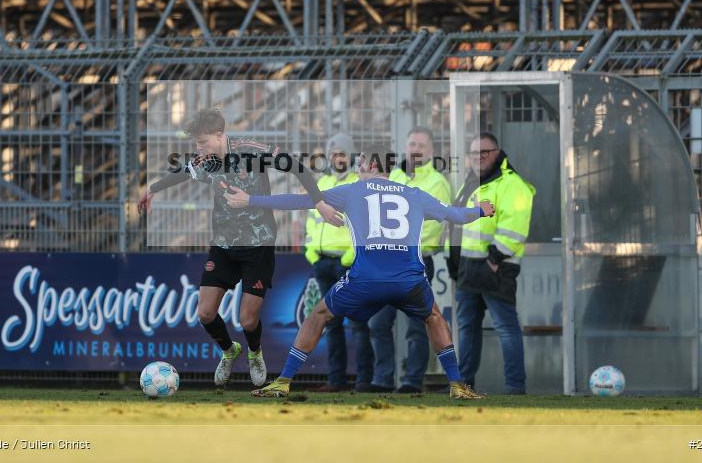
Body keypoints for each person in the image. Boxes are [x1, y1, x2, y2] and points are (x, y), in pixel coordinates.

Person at [223, 142, 494, 399]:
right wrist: (480, 210)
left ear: (373, 166)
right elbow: (456, 216)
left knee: (318, 315)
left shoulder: (353, 191)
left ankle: (283, 381)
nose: (356, 169)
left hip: (367, 278)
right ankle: (458, 385)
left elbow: (299, 200)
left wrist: (251, 200)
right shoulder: (414, 194)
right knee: (434, 317)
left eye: (361, 164)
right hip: (408, 280)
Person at [137, 109, 343, 388]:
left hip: (258, 244)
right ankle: (229, 350)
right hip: (223, 244)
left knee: (247, 320)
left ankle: (254, 353)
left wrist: (318, 202)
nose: (199, 149)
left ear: (220, 135)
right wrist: (153, 189)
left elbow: (297, 167)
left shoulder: (251, 151)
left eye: (203, 142)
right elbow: (183, 173)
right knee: (205, 313)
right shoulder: (204, 161)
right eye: (196, 144)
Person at [447, 132, 535, 395]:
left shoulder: (512, 184)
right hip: (467, 270)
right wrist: (453, 262)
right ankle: (464, 386)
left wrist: (495, 260)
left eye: (485, 152)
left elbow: (514, 228)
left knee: (506, 329)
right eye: (474, 153)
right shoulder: (471, 183)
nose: (479, 157)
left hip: (495, 268)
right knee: (467, 331)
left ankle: (515, 388)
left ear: (498, 152)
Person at [368, 126, 451, 393]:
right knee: (378, 323)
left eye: (421, 145)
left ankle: (412, 381)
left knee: (416, 327)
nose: (415, 149)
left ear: (431, 151)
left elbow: (434, 226)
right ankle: (382, 379)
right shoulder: (392, 177)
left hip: (415, 261)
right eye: (412, 144)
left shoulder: (438, 182)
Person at [305, 133, 374, 392]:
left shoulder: (360, 183)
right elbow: (312, 221)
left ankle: (365, 380)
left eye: (342, 153)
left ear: (351, 155)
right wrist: (312, 253)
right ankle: (336, 380)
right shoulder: (323, 182)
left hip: (349, 264)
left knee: (358, 323)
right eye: (333, 154)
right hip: (322, 263)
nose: (337, 158)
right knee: (330, 323)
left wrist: (349, 258)